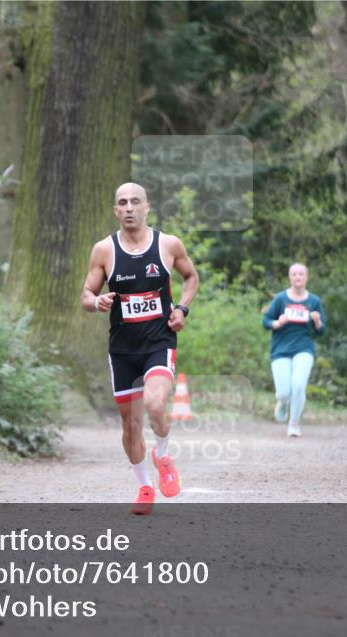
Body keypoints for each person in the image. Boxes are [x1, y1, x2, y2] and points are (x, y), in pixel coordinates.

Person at [81, 182, 200, 515]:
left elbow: (191, 277)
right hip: (122, 349)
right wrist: (97, 301)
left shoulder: (168, 244)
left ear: (147, 207)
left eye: (136, 202)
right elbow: (85, 295)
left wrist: (182, 309)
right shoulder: (103, 250)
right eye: (123, 202)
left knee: (155, 401)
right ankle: (145, 486)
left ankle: (162, 453)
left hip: (158, 343)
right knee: (130, 426)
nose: (129, 207)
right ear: (115, 210)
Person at [262, 263, 326, 437]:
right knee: (284, 392)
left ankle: (294, 423)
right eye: (294, 274)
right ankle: (283, 402)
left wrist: (317, 321)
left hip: (304, 349)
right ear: (289, 277)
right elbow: (266, 321)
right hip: (281, 350)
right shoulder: (281, 299)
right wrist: (277, 322)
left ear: (306, 277)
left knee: (298, 385)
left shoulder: (314, 301)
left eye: (301, 274)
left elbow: (321, 331)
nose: (298, 277)